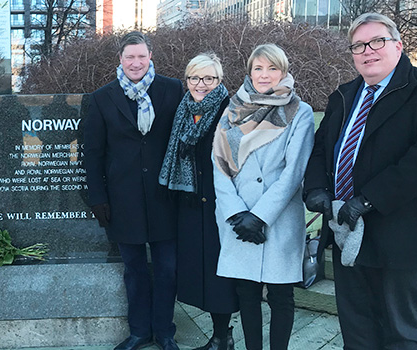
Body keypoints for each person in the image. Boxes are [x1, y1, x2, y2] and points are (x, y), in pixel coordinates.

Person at [303, 12, 417, 349]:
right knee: (357, 331)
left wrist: (369, 198)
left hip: (403, 232)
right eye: (358, 45)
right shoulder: (344, 96)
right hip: (348, 230)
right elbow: (320, 148)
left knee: (401, 333)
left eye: (377, 41)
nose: (367, 51)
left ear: (399, 46)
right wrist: (315, 188)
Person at [83, 31, 184, 350]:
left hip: (165, 197)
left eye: (141, 56)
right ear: (121, 59)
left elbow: (183, 141)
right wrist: (97, 197)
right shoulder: (102, 97)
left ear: (150, 56)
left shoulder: (172, 89)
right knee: (135, 269)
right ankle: (140, 330)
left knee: (168, 268)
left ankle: (165, 331)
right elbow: (93, 152)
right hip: (122, 200)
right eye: (130, 57)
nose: (136, 62)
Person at [211, 44, 314, 350]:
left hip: (278, 218)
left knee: (282, 295)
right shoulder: (232, 109)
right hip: (238, 218)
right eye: (258, 68)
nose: (264, 75)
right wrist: (237, 214)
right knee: (246, 293)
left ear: (284, 72)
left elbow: (294, 172)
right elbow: (219, 164)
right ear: (249, 71)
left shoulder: (299, 111)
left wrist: (259, 216)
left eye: (272, 68)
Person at [159, 53, 237, 350]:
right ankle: (218, 337)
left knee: (219, 274)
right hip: (189, 203)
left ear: (219, 80)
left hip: (218, 204)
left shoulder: (229, 109)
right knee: (198, 271)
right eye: (195, 78)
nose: (201, 84)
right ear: (187, 79)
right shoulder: (184, 108)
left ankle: (222, 337)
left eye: (209, 78)